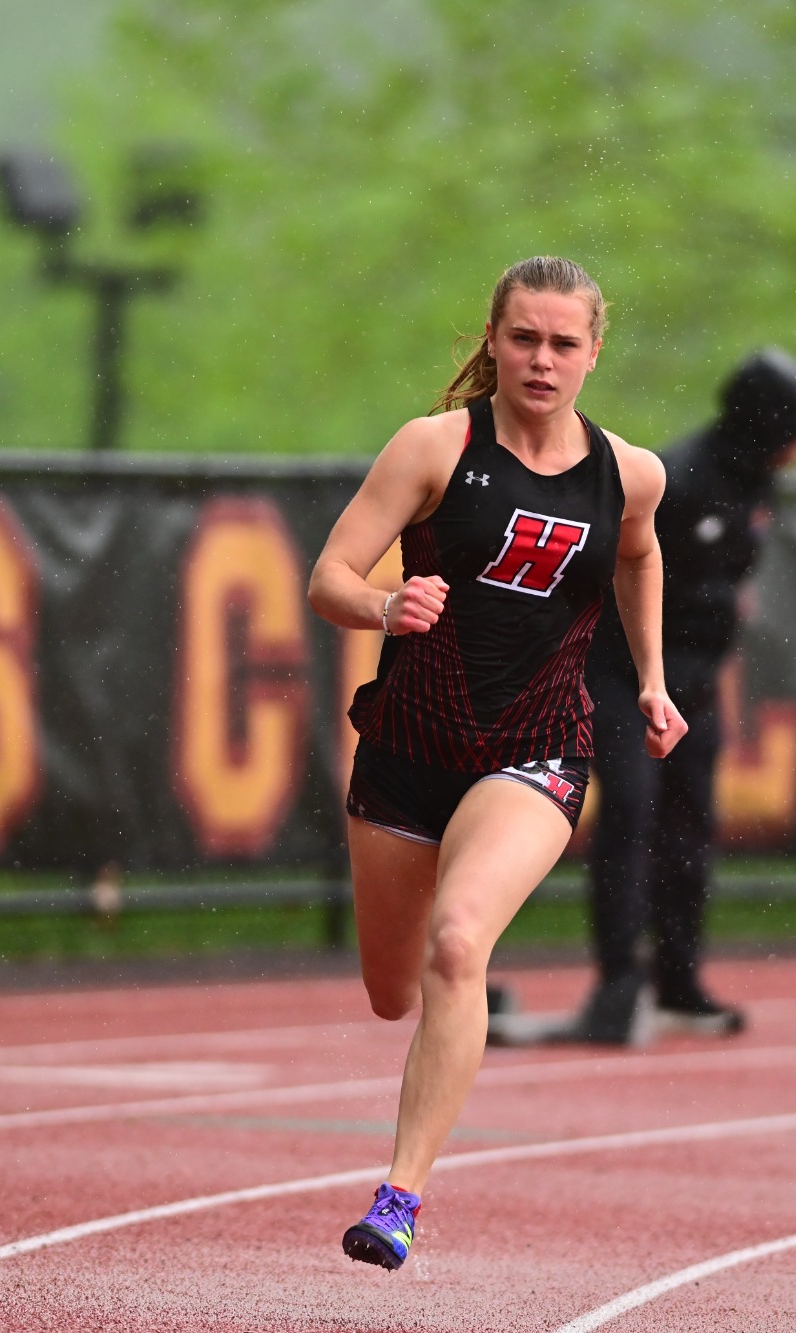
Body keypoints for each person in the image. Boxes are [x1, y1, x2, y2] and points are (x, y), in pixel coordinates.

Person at [307, 256, 685, 1269]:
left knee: (456, 943)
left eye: (564, 343)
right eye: (523, 338)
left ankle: (398, 1197)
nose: (542, 360)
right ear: (491, 339)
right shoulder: (434, 449)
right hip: (406, 749)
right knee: (393, 991)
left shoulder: (628, 473)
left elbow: (641, 552)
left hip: (536, 749)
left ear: (593, 353)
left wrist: (650, 678)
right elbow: (328, 576)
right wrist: (383, 604)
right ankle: (417, 1084)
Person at [567, 348, 796, 1043]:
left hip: (693, 679)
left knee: (690, 826)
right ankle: (618, 987)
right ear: (762, 423)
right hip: (622, 671)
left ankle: (680, 982)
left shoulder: (758, 482)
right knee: (630, 814)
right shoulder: (678, 479)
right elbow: (613, 571)